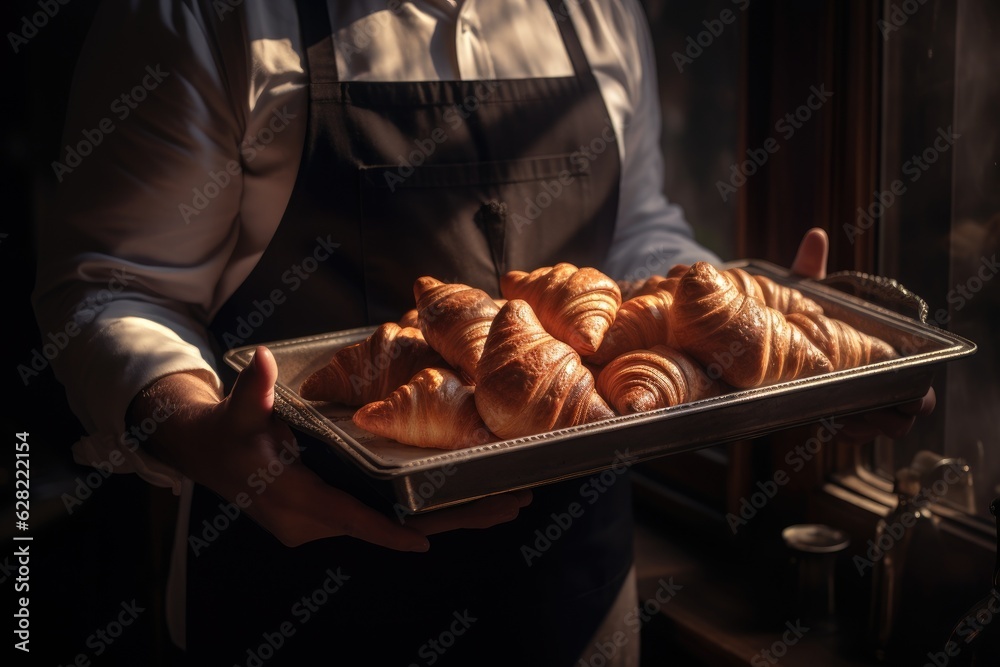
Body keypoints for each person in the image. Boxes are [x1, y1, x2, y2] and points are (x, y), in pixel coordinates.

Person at [33, 0, 934, 664]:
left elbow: (633, 235)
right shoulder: (205, 18)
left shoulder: (598, 15)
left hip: (575, 590)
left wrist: (758, 318)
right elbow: (108, 287)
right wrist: (195, 429)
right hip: (299, 589)